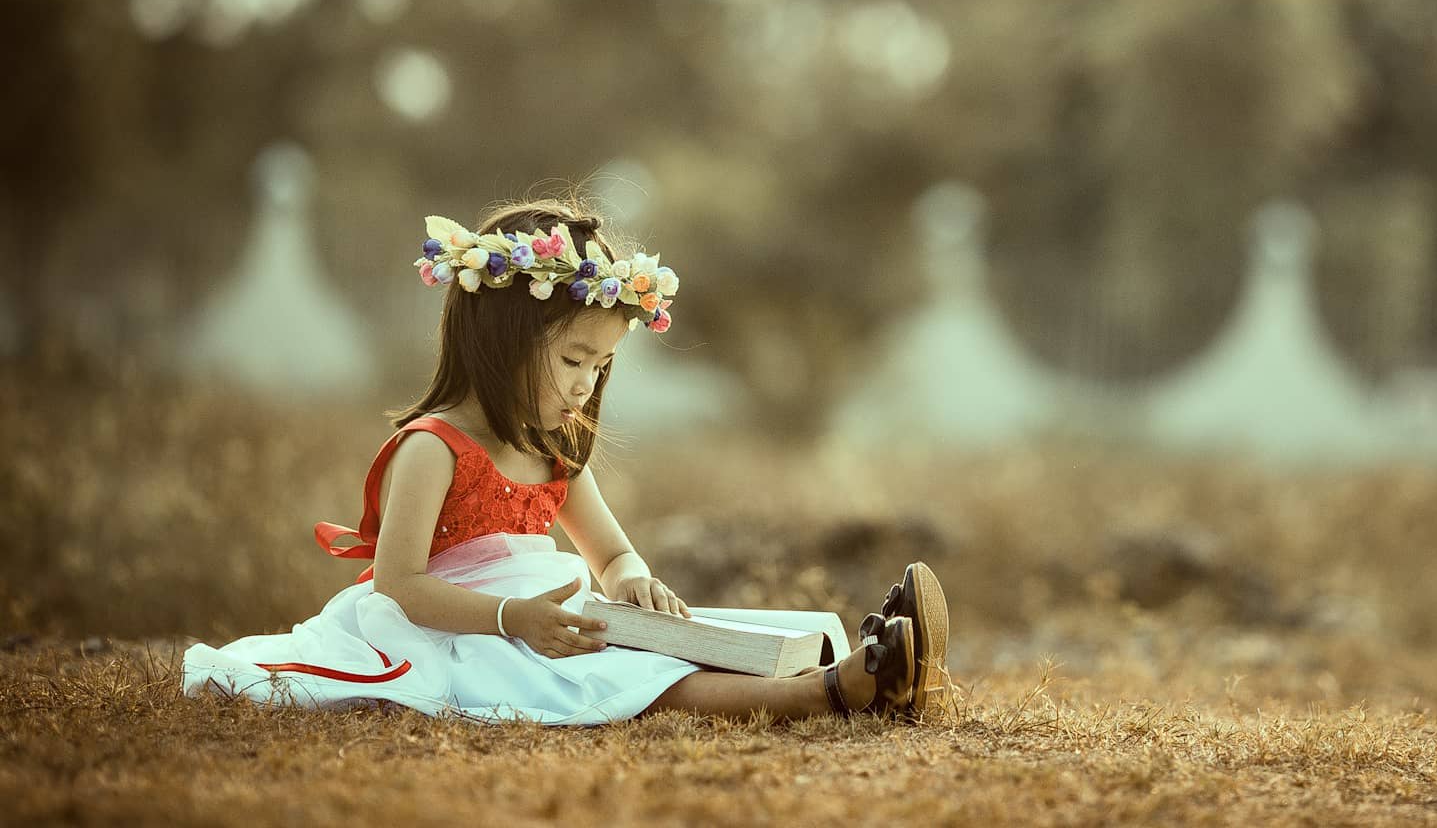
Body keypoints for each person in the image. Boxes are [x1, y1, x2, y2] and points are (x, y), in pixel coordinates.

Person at [181, 198, 949, 725]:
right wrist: (513, 617)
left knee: (678, 638)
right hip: (460, 633)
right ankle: (835, 692)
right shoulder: (433, 448)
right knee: (625, 679)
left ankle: (869, 655)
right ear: (504, 340)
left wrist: (631, 579)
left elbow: (608, 549)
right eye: (574, 358)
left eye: (600, 367)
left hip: (554, 620)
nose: (586, 383)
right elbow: (399, 583)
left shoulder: (555, 453)